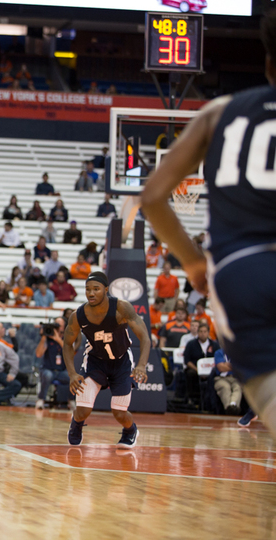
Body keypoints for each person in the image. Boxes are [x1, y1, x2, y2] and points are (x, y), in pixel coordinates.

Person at [140, 12, 276, 436]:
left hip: (242, 272)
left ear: (269, 62)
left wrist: (195, 263)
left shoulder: (221, 112)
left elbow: (152, 197)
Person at [64, 272, 151, 447]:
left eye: (96, 289)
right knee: (82, 411)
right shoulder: (78, 315)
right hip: (95, 361)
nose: (91, 293)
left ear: (105, 290)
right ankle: (76, 424)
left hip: (121, 362)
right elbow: (67, 344)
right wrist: (72, 374)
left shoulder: (121, 307)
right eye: (88, 289)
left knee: (119, 413)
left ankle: (130, 430)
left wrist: (141, 365)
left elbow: (145, 338)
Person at [182, 322, 219, 406]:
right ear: (198, 332)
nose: (203, 334)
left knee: (216, 375)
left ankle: (212, 400)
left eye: (205, 331)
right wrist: (197, 370)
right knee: (190, 373)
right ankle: (192, 398)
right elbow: (187, 360)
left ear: (208, 332)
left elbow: (218, 359)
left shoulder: (215, 345)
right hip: (195, 369)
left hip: (211, 370)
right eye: (201, 331)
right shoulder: (191, 344)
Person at [213, 349, 243, 415]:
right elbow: (221, 368)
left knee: (238, 387)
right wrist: (234, 365)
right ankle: (230, 409)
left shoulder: (238, 352)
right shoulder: (219, 352)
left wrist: (227, 365)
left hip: (236, 378)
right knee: (225, 387)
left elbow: (242, 366)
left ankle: (232, 405)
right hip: (221, 378)